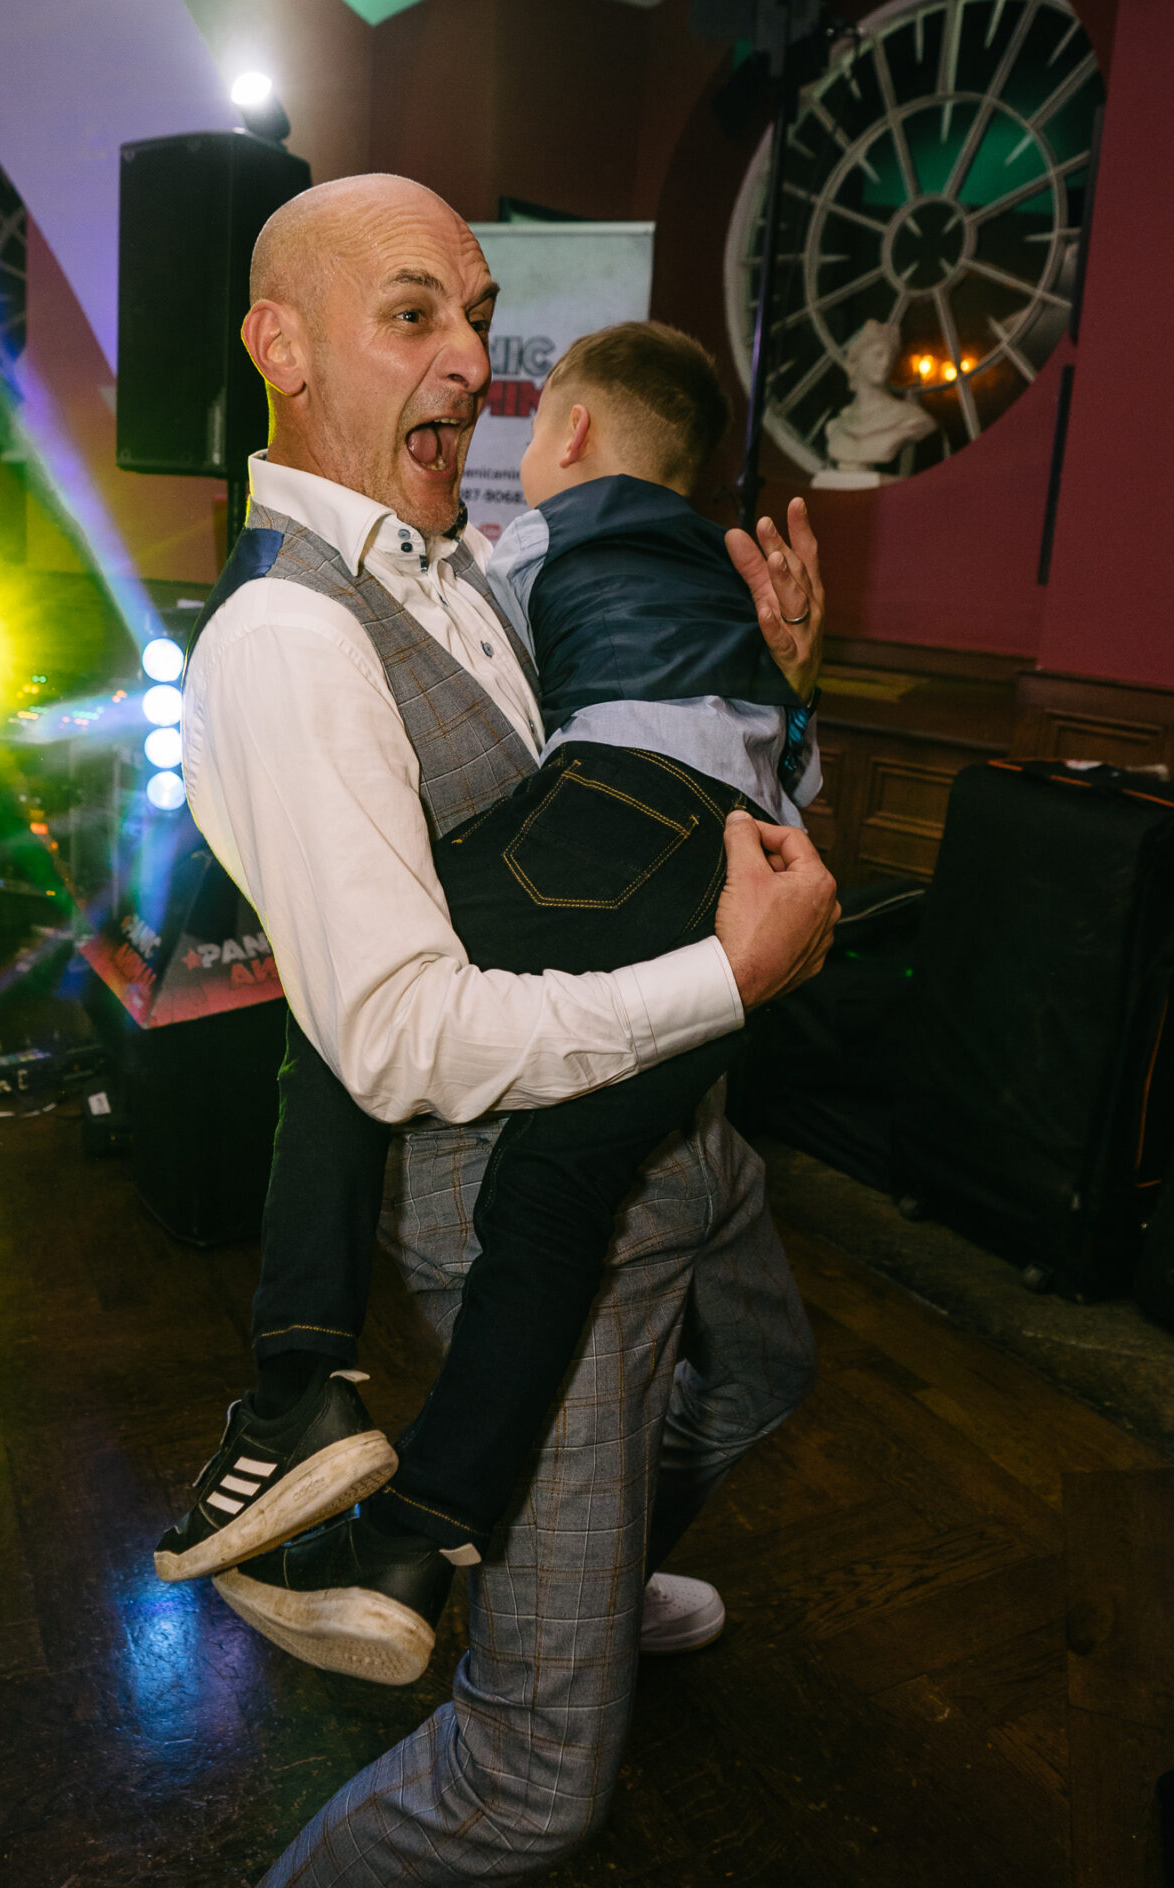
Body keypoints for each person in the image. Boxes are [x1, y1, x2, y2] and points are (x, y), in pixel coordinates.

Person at [172, 174, 838, 1883]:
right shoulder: (286, 642)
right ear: (282, 345)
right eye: (414, 315)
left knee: (760, 1376)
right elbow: (397, 1041)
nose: (472, 357)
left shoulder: (464, 561)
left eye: (475, 315)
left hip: (681, 1132)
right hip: (535, 1210)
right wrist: (731, 978)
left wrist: (778, 681)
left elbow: (661, 798)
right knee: (537, 1780)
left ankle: (584, 1572)